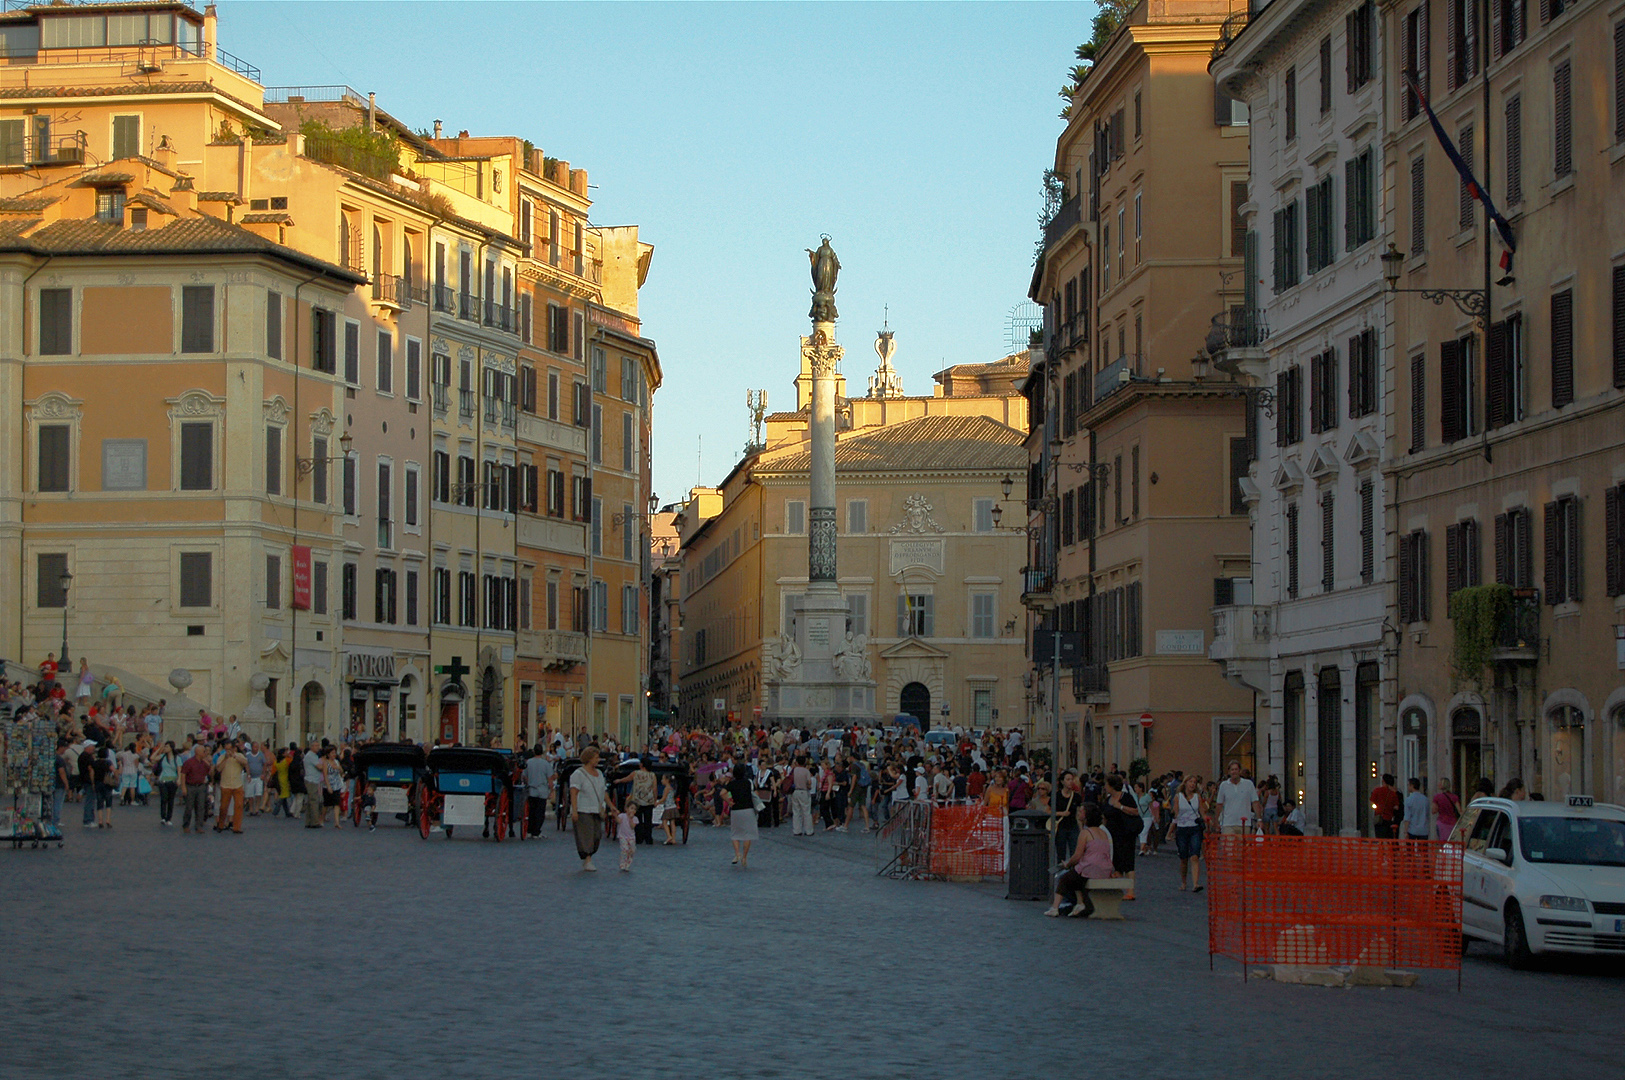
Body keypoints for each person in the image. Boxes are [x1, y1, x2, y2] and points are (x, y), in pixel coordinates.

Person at [1044, 803, 1114, 918]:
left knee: (1065, 878)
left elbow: (1077, 856)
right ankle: (1080, 903)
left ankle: (1055, 907)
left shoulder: (1085, 833)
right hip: (1105, 868)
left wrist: (1067, 864)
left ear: (1087, 815)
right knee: (1076, 875)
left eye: (1081, 812)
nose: (1078, 814)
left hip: (1091, 867)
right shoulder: (1103, 832)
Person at [1102, 774, 1141, 900]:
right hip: (1112, 834)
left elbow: (1135, 811)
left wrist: (1121, 807)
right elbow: (1105, 817)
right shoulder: (1107, 799)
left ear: (1112, 786)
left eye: (1106, 785)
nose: (1105, 787)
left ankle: (1131, 891)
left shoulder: (1126, 797)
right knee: (1116, 861)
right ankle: (1117, 889)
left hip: (1126, 833)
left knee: (1128, 861)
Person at [569, 746, 607, 871]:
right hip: (583, 809)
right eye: (596, 758)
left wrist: (610, 806)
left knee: (597, 835)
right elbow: (574, 793)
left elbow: (603, 791)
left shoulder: (600, 774)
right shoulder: (578, 774)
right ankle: (587, 858)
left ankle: (589, 855)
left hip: (596, 808)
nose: (598, 760)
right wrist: (574, 810)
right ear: (589, 759)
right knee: (587, 835)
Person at [1171, 774, 1206, 891]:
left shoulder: (1197, 797)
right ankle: (1184, 882)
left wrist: (1208, 823)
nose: (1192, 784)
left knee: (1195, 856)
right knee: (1183, 858)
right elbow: (1175, 814)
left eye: (1194, 782)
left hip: (1195, 828)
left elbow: (1202, 812)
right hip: (1182, 828)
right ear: (1185, 783)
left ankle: (1195, 883)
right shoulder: (1178, 797)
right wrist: (1171, 829)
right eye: (1190, 782)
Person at [1215, 761, 1261, 835]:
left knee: (1242, 846)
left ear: (1239, 771)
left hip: (1244, 823)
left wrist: (1259, 819)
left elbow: (1255, 802)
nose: (1234, 772)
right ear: (1229, 772)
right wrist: (1216, 821)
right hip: (1228, 824)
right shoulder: (1223, 785)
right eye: (1232, 770)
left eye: (1236, 769)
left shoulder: (1248, 784)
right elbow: (1219, 804)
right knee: (1229, 846)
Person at [214, 740, 247, 833]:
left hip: (237, 784)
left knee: (239, 806)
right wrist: (226, 758)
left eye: (230, 749)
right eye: (226, 749)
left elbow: (245, 762)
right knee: (223, 807)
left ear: (234, 748)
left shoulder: (239, 756)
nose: (228, 751)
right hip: (225, 785)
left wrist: (235, 756)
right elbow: (218, 769)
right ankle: (221, 824)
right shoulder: (222, 757)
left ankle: (237, 827)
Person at [728, 763, 758, 867]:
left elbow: (722, 793)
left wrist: (728, 801)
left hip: (736, 810)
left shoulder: (731, 784)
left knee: (735, 833)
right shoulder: (747, 783)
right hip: (748, 809)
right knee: (747, 834)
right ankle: (744, 857)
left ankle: (737, 854)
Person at [178, 744, 211, 834]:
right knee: (189, 807)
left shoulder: (204, 763)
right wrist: (183, 787)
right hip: (190, 786)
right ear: (198, 752)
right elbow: (183, 774)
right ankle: (186, 825)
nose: (205, 753)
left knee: (200, 807)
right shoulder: (189, 762)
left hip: (200, 786)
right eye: (203, 751)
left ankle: (199, 826)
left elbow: (209, 771)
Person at [1055, 771, 1083, 862]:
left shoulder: (1076, 797)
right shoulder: (1057, 796)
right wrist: (1061, 813)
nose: (1070, 781)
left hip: (1073, 826)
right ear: (1062, 781)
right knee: (1061, 852)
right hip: (1060, 827)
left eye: (1072, 779)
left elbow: (1078, 814)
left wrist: (1081, 829)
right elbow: (1048, 811)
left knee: (1074, 851)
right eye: (1068, 779)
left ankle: (1072, 871)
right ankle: (1060, 872)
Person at [629, 758, 658, 844]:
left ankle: (639, 838)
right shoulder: (652, 775)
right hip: (648, 800)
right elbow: (655, 788)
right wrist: (655, 799)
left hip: (637, 800)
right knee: (648, 820)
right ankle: (648, 838)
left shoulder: (636, 773)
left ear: (642, 765)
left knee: (638, 819)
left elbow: (627, 779)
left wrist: (619, 780)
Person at [153, 742, 179, 826]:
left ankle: (169, 818)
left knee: (171, 800)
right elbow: (152, 758)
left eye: (167, 747)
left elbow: (179, 769)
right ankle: (163, 817)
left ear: (171, 748)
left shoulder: (176, 758)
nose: (165, 748)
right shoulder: (163, 757)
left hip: (172, 780)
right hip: (163, 780)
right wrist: (159, 749)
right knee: (164, 799)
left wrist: (179, 779)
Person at [788, 753, 814, 836]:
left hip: (795, 791)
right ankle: (808, 830)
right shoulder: (806, 771)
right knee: (806, 812)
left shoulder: (794, 770)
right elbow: (809, 783)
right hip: (804, 791)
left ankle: (797, 830)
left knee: (796, 812)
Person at [1370, 774, 1401, 838]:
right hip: (1389, 819)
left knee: (1379, 837)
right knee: (1388, 838)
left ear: (1383, 781)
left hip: (1379, 818)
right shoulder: (1393, 794)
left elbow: (1372, 802)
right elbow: (1396, 807)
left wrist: (1376, 807)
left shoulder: (1377, 790)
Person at [616, 799, 638, 872]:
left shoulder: (635, 819)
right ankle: (622, 863)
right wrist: (615, 815)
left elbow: (632, 826)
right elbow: (618, 821)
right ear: (626, 809)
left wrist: (631, 819)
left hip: (631, 837)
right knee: (625, 850)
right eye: (631, 808)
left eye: (634, 809)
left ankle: (627, 865)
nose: (633, 810)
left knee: (631, 851)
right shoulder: (622, 816)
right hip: (623, 836)